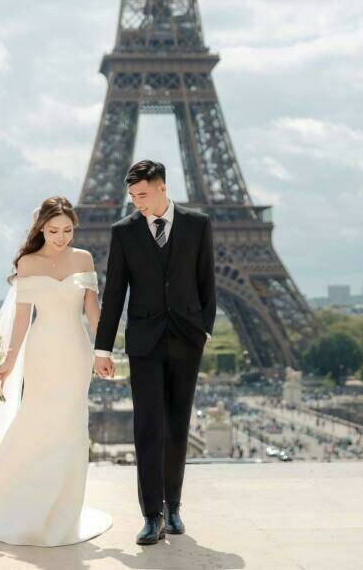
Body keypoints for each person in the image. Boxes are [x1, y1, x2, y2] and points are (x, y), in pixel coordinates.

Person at [0, 196, 112, 546]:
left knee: (72, 426)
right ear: (41, 228)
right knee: (36, 421)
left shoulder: (84, 258)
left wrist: (103, 350)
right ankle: (20, 499)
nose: (61, 237)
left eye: (67, 230)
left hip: (76, 352)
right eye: (53, 231)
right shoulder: (27, 263)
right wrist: (8, 364)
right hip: (41, 353)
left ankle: (64, 508)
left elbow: (93, 311)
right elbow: (22, 320)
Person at [94, 160, 217, 545]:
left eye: (143, 194)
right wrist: (103, 348)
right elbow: (114, 293)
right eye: (132, 196)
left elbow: (207, 283)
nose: (137, 202)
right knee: (148, 428)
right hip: (144, 343)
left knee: (178, 425)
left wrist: (204, 331)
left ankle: (173, 506)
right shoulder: (124, 232)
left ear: (162, 187)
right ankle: (151, 515)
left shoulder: (198, 224)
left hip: (186, 339)